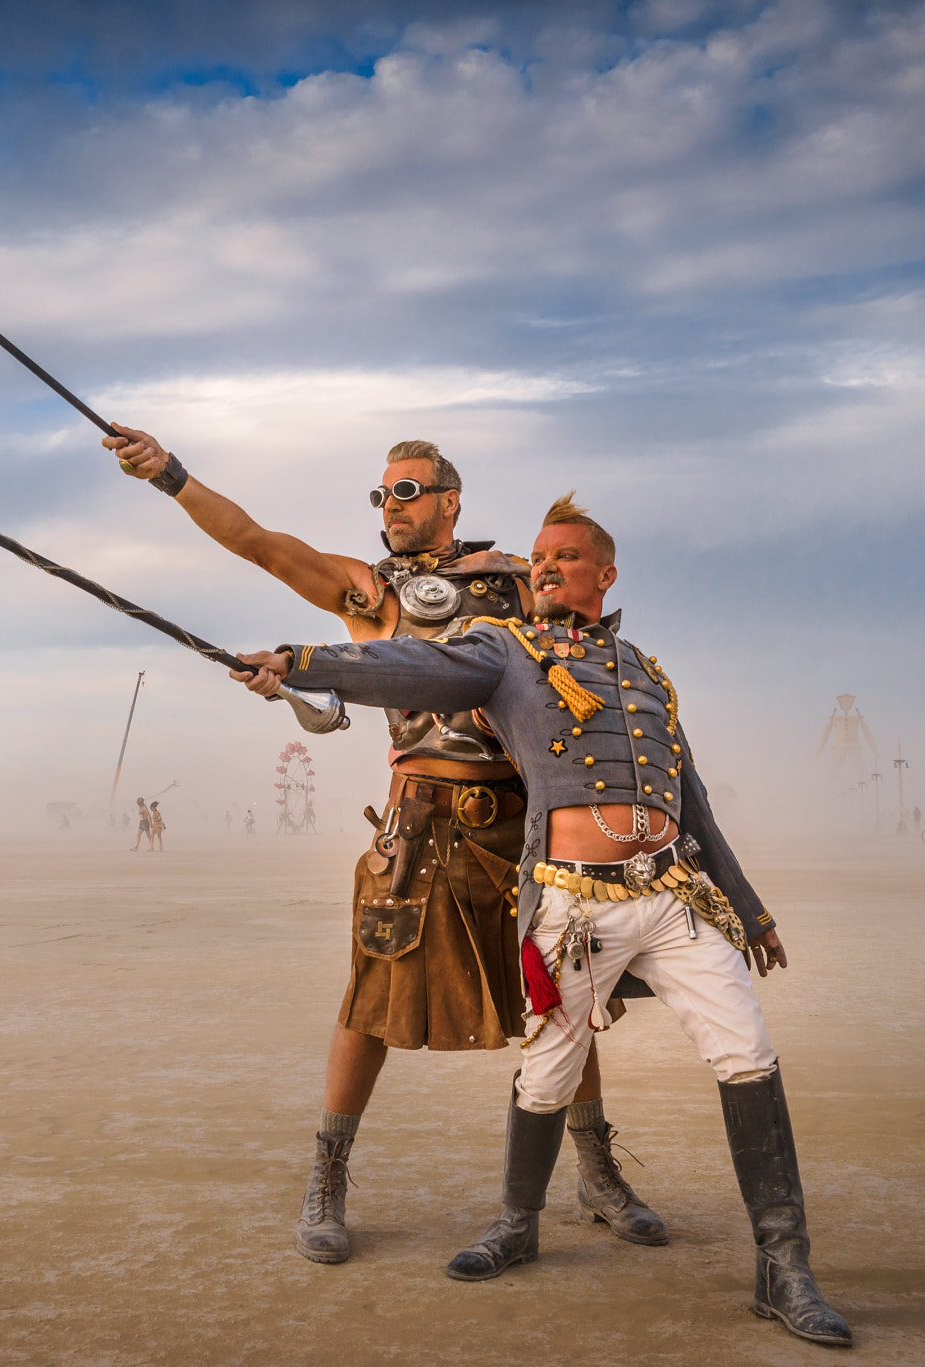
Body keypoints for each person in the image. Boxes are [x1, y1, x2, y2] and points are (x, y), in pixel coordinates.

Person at [228, 490, 847, 1345]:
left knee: (748, 1053)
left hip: (672, 895)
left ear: (605, 572)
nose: (547, 565)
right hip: (571, 897)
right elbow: (408, 670)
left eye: (564, 555)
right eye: (539, 555)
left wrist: (751, 910)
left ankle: (785, 1269)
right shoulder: (504, 651)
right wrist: (301, 662)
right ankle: (518, 1223)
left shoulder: (645, 672)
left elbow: (694, 803)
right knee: (548, 1072)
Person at [107, 427, 669, 1264]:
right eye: (381, 495)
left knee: (562, 998)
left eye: (406, 492)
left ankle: (593, 1169)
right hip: (418, 823)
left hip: (520, 823)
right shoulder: (367, 593)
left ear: (449, 500)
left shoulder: (515, 582)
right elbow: (258, 542)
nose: (390, 508)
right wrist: (170, 474)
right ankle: (328, 1173)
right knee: (368, 1002)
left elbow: (585, 663)